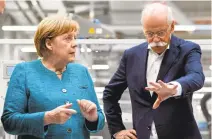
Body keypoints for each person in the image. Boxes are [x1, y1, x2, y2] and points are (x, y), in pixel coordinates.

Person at [103, 3, 205, 139]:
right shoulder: (131, 56)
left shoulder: (188, 50)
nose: (156, 39)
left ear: (172, 27)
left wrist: (173, 88)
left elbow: (196, 77)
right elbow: (110, 94)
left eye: (161, 33)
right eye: (149, 34)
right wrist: (117, 130)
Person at [1, 15, 105, 139]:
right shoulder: (24, 72)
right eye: (67, 38)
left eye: (74, 38)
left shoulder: (81, 72)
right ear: (49, 44)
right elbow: (9, 121)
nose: (74, 44)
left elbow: (99, 118)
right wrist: (47, 118)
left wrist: (93, 117)